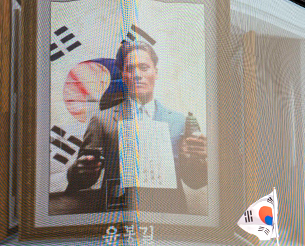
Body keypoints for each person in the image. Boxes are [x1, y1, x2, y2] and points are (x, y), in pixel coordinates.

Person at [65, 40, 207, 209]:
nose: (137, 75)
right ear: (123, 75)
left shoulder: (179, 121)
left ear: (156, 72)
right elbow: (79, 181)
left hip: (170, 215)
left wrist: (199, 160)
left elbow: (195, 182)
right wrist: (80, 169)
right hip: (120, 213)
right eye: (130, 69)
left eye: (144, 68)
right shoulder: (102, 120)